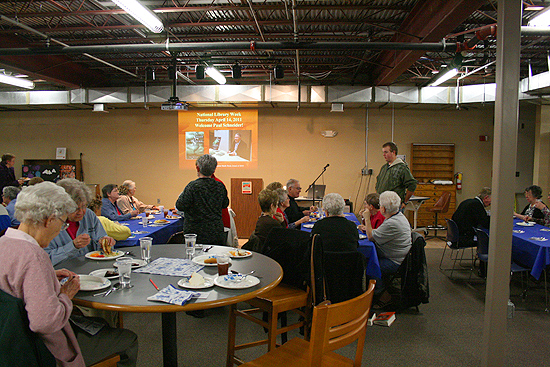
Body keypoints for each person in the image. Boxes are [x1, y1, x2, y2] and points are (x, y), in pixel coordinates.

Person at [0, 182, 138, 367]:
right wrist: (65, 296)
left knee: (97, 323)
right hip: (43, 350)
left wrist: (49, 275)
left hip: (9, 345)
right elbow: (45, 323)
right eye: (63, 223)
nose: (62, 229)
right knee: (127, 340)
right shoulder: (35, 257)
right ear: (49, 220)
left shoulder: (5, 243)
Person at [46, 179, 115, 266]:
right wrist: (73, 246)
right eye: (75, 208)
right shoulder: (50, 223)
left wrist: (105, 243)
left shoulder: (89, 215)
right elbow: (46, 259)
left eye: (84, 206)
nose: (81, 212)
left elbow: (101, 239)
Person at [363, 190, 412, 307]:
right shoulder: (398, 217)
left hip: (395, 261)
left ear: (383, 209)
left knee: (370, 265)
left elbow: (370, 237)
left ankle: (383, 296)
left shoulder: (391, 223)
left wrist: (367, 218)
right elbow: (379, 232)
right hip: (399, 256)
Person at [176, 154, 229, 245]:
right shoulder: (220, 186)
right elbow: (225, 204)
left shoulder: (192, 186)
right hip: (216, 232)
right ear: (214, 170)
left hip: (195, 234)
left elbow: (180, 205)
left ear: (197, 168)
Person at [375, 142, 417, 208]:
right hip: (382, 204)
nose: (384, 154)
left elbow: (412, 184)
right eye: (383, 152)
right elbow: (378, 184)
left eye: (386, 152)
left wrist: (405, 202)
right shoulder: (384, 168)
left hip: (394, 206)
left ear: (393, 152)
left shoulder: (402, 168)